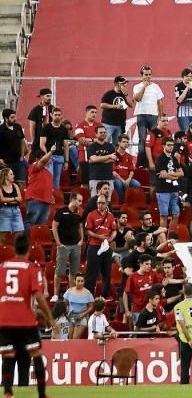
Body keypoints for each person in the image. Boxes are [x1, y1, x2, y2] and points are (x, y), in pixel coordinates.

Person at [0, 234, 54, 398]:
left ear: (14, 248)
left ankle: (8, 392)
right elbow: (38, 295)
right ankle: (42, 394)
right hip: (25, 321)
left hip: (4, 321)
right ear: (29, 251)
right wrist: (50, 317)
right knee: (36, 354)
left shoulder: (2, 267)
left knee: (8, 355)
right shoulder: (31, 268)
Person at [51, 192, 84, 299]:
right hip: (63, 245)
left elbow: (80, 227)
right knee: (60, 272)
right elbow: (54, 227)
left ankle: (71, 294)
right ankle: (56, 294)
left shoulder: (79, 213)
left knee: (74, 272)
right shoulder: (61, 212)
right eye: (79, 201)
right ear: (73, 200)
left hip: (75, 245)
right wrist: (58, 243)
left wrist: (81, 240)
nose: (80, 203)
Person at [83, 195, 116, 298]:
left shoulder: (110, 216)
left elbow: (114, 230)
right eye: (98, 203)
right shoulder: (91, 215)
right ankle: (88, 298)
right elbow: (88, 230)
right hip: (94, 246)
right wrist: (99, 236)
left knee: (107, 274)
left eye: (102, 203)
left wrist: (110, 239)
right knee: (91, 274)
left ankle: (104, 297)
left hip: (106, 247)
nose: (99, 205)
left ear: (106, 203)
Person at [133, 66, 165, 168]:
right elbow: (137, 98)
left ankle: (153, 161)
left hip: (153, 116)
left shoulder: (156, 86)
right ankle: (142, 163)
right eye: (146, 75)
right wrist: (144, 87)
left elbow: (160, 102)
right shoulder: (137, 86)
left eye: (149, 74)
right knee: (142, 139)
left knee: (153, 139)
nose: (148, 76)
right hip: (141, 115)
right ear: (141, 75)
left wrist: (161, 116)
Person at [23, 148, 55, 234]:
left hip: (46, 201)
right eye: (46, 158)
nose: (48, 161)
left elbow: (48, 187)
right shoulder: (33, 167)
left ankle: (36, 245)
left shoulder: (49, 173)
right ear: (37, 159)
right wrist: (51, 152)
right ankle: (26, 244)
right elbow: (42, 162)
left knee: (41, 227)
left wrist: (51, 196)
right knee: (31, 222)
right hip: (35, 199)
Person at [38, 107, 70, 189]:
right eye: (55, 115)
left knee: (56, 181)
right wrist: (47, 157)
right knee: (49, 178)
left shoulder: (63, 129)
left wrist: (66, 161)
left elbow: (66, 145)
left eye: (59, 115)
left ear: (61, 116)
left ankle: (55, 199)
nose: (57, 117)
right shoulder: (46, 127)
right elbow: (42, 144)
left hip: (60, 157)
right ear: (52, 115)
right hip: (50, 157)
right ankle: (48, 198)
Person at [99, 76, 132, 145]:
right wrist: (115, 106)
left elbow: (131, 104)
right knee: (105, 141)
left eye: (125, 83)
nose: (124, 85)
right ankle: (103, 155)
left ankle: (115, 156)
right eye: (122, 83)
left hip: (120, 124)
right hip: (108, 123)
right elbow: (102, 105)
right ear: (116, 84)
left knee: (117, 144)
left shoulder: (124, 94)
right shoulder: (109, 94)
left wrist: (126, 94)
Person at [0, 109, 27, 184]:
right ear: (6, 118)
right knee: (8, 183)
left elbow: (22, 140)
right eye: (12, 117)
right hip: (7, 163)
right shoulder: (1, 130)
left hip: (19, 161)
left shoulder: (17, 127)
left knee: (22, 183)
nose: (15, 119)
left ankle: (20, 195)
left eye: (15, 117)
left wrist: (22, 155)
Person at [0, 167, 23, 244]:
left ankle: (15, 251)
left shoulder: (15, 186)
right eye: (11, 174)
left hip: (16, 210)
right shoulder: (0, 187)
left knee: (20, 232)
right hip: (5, 211)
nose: (13, 175)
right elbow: (2, 200)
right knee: (3, 235)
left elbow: (20, 199)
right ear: (6, 176)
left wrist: (8, 200)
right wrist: (14, 199)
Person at [26, 88, 52, 154]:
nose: (49, 98)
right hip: (39, 139)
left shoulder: (52, 108)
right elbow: (32, 127)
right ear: (42, 97)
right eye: (47, 96)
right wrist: (33, 141)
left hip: (51, 139)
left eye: (50, 96)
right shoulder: (35, 110)